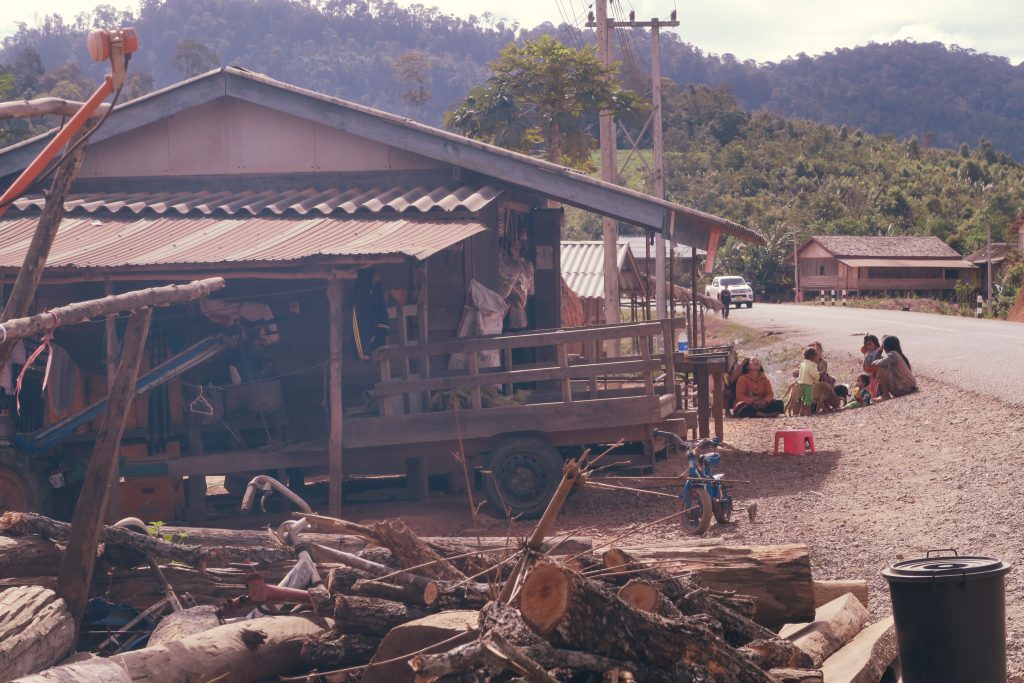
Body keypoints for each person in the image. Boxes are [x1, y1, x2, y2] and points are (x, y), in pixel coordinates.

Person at [797, 347, 820, 416]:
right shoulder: (812, 365)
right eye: (816, 355)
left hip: (801, 383)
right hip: (808, 384)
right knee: (808, 398)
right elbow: (813, 374)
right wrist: (817, 376)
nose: (817, 357)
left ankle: (801, 411)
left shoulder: (803, 363)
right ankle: (808, 413)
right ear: (812, 356)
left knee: (803, 397)